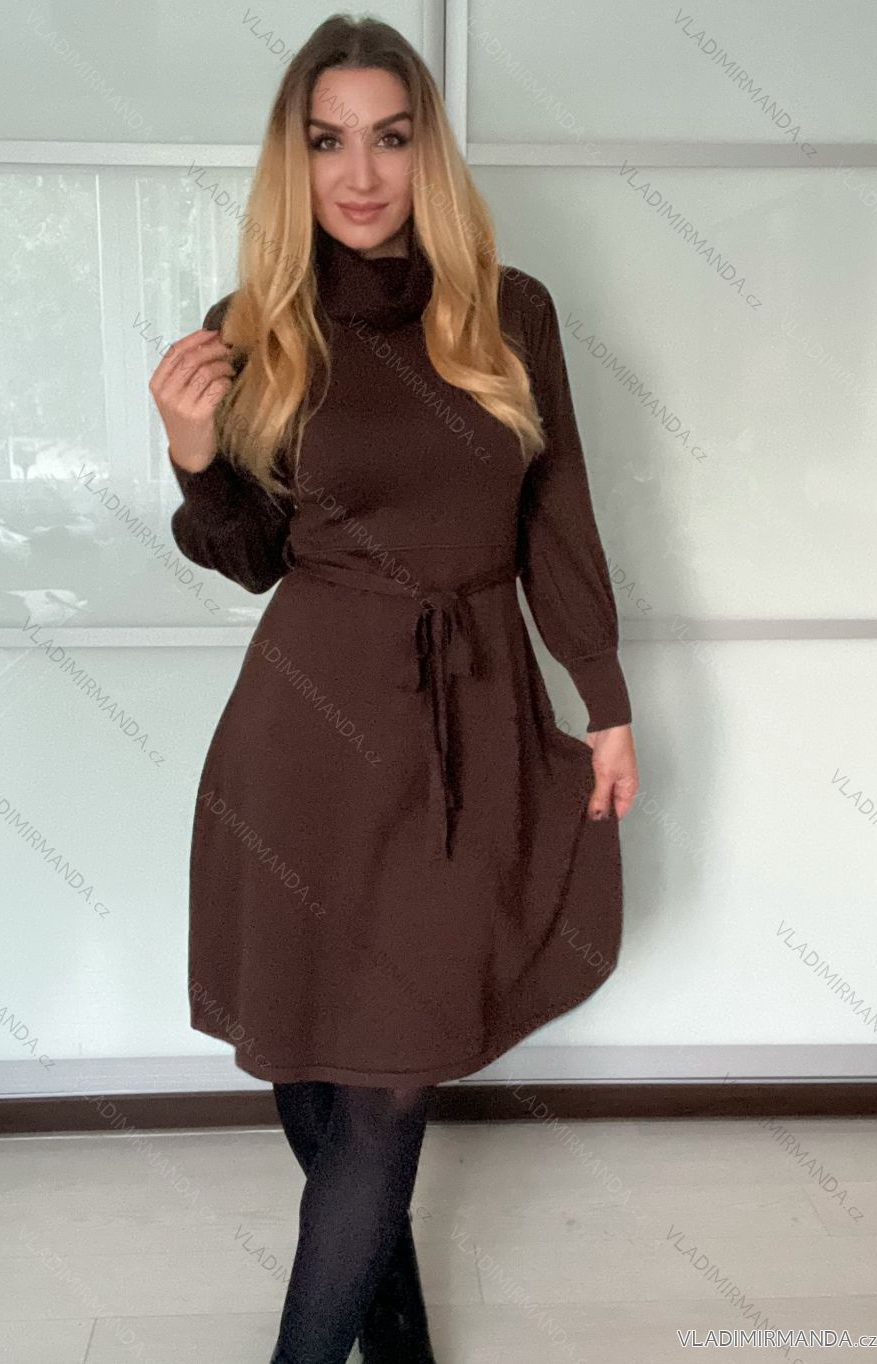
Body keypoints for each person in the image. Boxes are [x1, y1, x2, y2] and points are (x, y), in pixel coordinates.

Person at [149, 13, 640, 1363]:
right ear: (292, 161)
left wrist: (601, 696)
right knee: (316, 1082)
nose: (359, 174)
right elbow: (253, 556)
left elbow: (558, 519)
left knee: (384, 1084)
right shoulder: (253, 327)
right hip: (301, 740)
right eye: (327, 143)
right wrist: (195, 457)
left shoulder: (509, 309)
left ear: (429, 152)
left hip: (467, 728)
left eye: (390, 137)